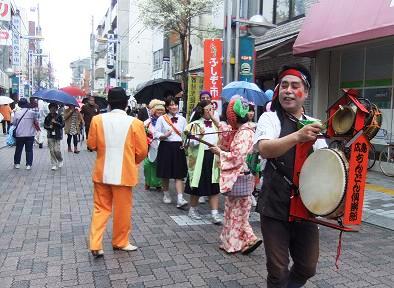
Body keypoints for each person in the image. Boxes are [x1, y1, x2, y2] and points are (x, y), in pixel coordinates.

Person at [253, 64, 327, 288]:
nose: (288, 90)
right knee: (277, 271)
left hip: (305, 207)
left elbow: (323, 166)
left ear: (306, 92)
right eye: (283, 85)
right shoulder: (269, 118)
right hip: (274, 205)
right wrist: (298, 136)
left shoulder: (315, 125)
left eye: (295, 86)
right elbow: (265, 149)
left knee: (307, 266)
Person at [87, 87, 148, 257]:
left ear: (108, 102)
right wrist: (132, 161)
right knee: (122, 210)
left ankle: (96, 244)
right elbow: (142, 151)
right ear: (126, 103)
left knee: (100, 208)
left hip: (102, 172)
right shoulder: (136, 123)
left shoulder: (97, 120)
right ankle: (120, 242)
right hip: (124, 173)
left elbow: (91, 145)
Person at [209, 96, 262, 254]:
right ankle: (243, 241)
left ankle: (243, 240)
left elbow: (237, 156)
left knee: (237, 212)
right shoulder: (243, 130)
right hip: (241, 177)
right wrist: (213, 117)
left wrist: (219, 152)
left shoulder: (244, 133)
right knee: (237, 212)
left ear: (232, 116)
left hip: (239, 177)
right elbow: (226, 132)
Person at [184, 100, 222, 224]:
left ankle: (215, 214)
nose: (211, 112)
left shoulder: (217, 124)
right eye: (208, 109)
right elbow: (187, 144)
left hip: (213, 157)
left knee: (214, 186)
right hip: (199, 159)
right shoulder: (193, 124)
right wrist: (199, 137)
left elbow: (221, 139)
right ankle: (193, 210)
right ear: (201, 110)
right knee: (197, 186)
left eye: (213, 109)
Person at [155, 96, 188, 208]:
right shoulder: (161, 119)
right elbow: (156, 133)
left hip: (178, 147)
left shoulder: (183, 119)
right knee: (165, 173)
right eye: (171, 105)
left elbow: (185, 134)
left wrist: (185, 142)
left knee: (179, 174)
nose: (174, 107)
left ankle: (180, 198)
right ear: (167, 107)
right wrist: (164, 135)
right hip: (166, 147)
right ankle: (166, 194)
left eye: (175, 104)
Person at [143, 99, 165, 191]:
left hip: (162, 145)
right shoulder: (148, 122)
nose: (159, 112)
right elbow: (143, 132)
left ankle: (158, 184)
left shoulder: (166, 120)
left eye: (161, 110)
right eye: (157, 110)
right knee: (147, 165)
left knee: (159, 165)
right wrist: (148, 138)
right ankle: (148, 182)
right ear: (153, 110)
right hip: (150, 145)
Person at [12, 98, 40, 170]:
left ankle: (17, 163)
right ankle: (28, 165)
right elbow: (36, 121)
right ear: (27, 104)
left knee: (18, 149)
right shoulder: (32, 113)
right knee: (29, 150)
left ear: (20, 105)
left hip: (20, 134)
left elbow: (14, 123)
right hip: (30, 134)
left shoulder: (17, 113)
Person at [44, 103, 65, 170]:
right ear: (49, 109)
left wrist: (56, 122)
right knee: (51, 150)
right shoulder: (47, 117)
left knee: (57, 150)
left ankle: (60, 159)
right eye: (51, 108)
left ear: (56, 109)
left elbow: (62, 125)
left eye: (54, 108)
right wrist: (48, 126)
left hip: (57, 135)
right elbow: (44, 125)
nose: (52, 109)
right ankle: (54, 164)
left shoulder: (59, 116)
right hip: (50, 135)